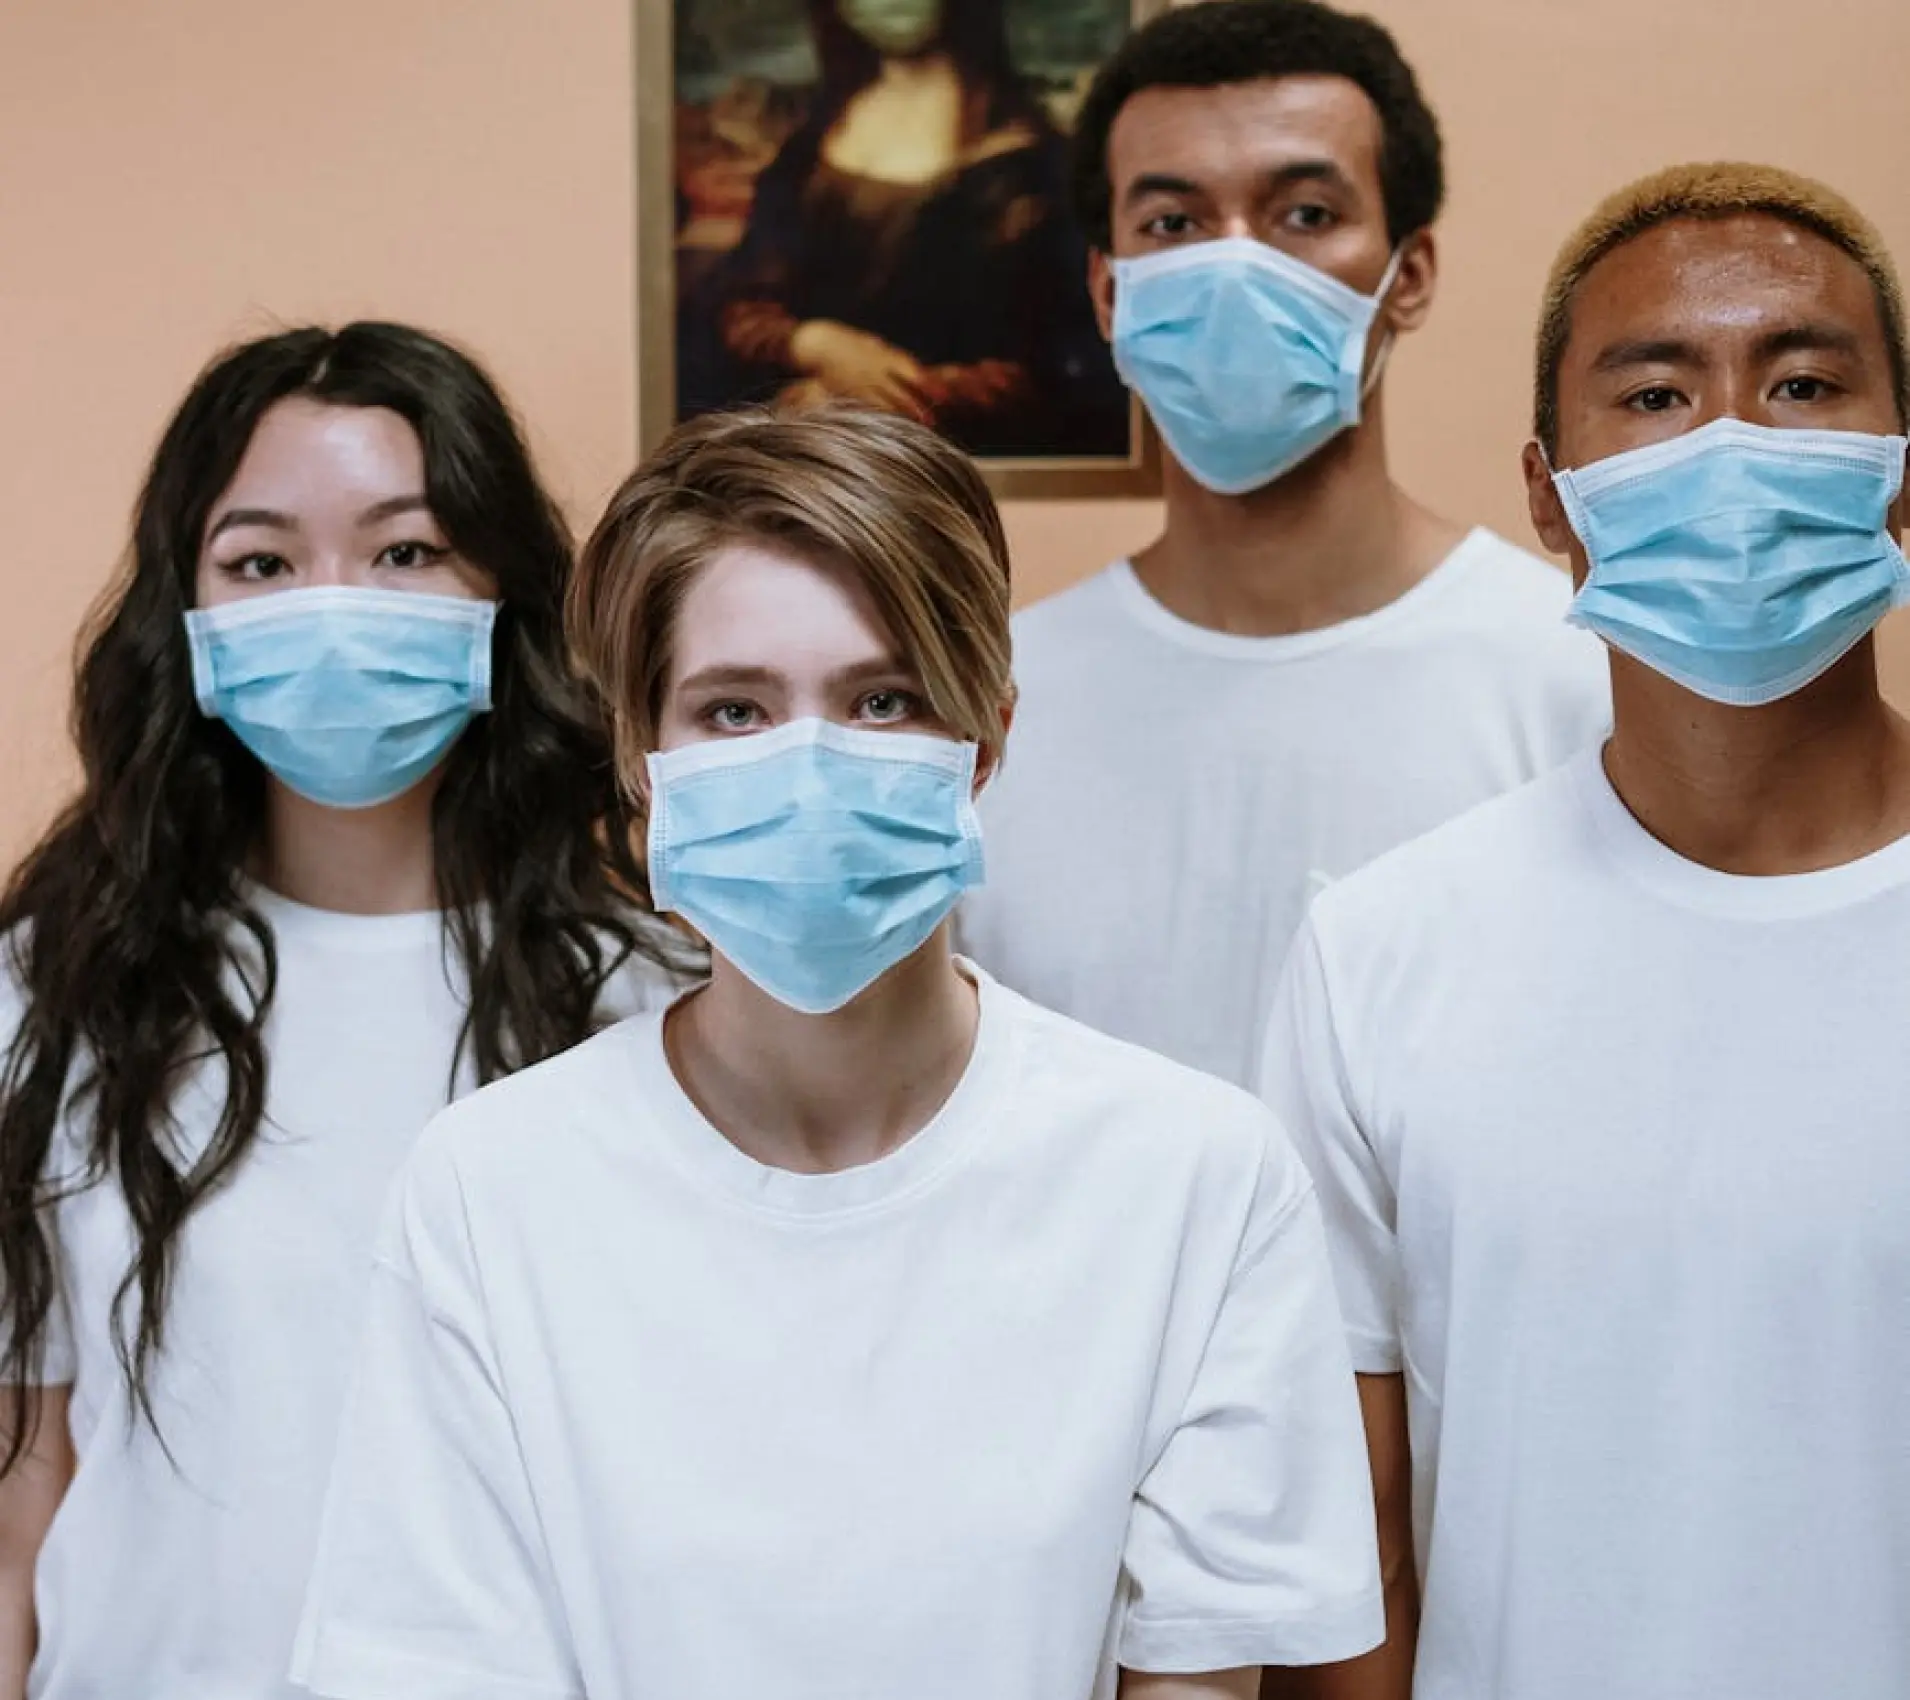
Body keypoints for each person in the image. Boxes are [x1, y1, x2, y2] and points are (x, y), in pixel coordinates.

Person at [291, 404, 1384, 1700]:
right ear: (642, 760)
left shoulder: (1192, 1182)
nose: (809, 767)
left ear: (986, 734)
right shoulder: (489, 1194)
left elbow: (1200, 1676)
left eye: (881, 700)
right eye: (735, 710)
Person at [1257, 162, 1910, 1700]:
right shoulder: (1380, 955)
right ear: (1549, 493)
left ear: (1897, 472)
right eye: (1658, 395)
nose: (1736, 440)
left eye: (1803, 381)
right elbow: (1350, 1559)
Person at [0, 323, 691, 1700]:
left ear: (504, 593)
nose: (333, 606)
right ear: (183, 618)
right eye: (261, 561)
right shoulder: (55, 990)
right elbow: (24, 1487)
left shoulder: (653, 1006)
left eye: (404, 552)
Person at [957, 0, 1609, 1089]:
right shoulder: (991, 713)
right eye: (1172, 223)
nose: (1233, 266)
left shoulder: (1571, 682)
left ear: (1408, 272)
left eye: (1303, 213)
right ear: (1107, 290)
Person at [678, 0, 1128, 457]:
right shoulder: (810, 148)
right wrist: (811, 344)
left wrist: (856, 398)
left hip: (953, 455)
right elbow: (741, 299)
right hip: (813, 460)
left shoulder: (1026, 162)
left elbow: (1056, 368)